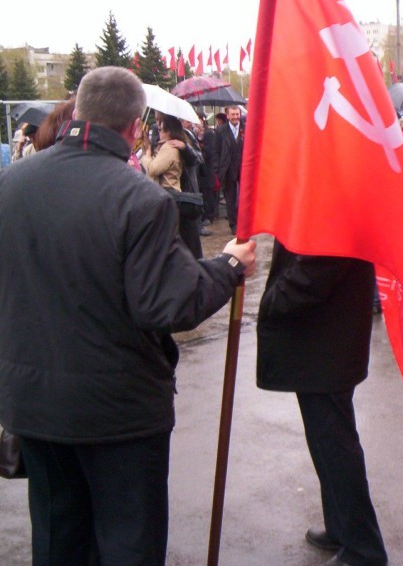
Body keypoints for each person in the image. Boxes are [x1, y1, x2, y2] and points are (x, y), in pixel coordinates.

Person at [0, 66, 256, 566]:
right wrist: (227, 266)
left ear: (79, 112)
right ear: (136, 125)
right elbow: (170, 303)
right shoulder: (141, 200)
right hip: (117, 414)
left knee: (57, 540)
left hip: (33, 405)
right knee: (127, 544)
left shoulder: (14, 182)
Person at [256, 242, 388, 566]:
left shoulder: (337, 192)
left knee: (336, 447)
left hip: (328, 339)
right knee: (325, 443)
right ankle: (342, 529)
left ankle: (363, 549)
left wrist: (276, 297)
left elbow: (324, 258)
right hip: (322, 337)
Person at [142, 114, 203, 259]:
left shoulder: (184, 137)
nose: (157, 124)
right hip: (167, 191)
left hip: (180, 191)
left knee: (185, 238)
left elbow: (198, 158)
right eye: (156, 120)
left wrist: (185, 147)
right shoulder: (156, 135)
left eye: (159, 121)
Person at [216, 105, 244, 234]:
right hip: (227, 169)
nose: (235, 117)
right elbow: (216, 152)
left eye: (237, 114)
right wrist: (217, 170)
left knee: (244, 197)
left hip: (244, 168)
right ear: (228, 116)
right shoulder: (220, 131)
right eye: (233, 114)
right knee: (230, 198)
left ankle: (245, 222)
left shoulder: (246, 128)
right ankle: (233, 225)